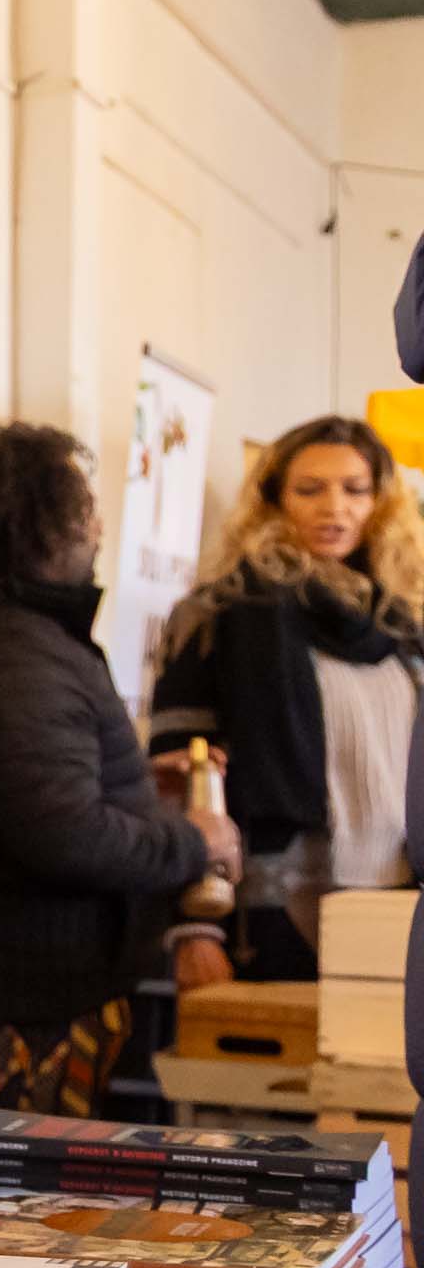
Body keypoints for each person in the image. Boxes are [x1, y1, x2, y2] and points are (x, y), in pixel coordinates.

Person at [0, 422, 235, 1113]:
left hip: (21, 999)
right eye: (82, 513)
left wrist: (136, 783)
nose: (97, 531)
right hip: (24, 1018)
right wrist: (194, 841)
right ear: (33, 527)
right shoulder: (6, 653)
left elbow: (36, 793)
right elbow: (63, 835)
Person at [149, 415, 424, 983]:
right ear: (275, 500)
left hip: (401, 897)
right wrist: (193, 926)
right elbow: (179, 778)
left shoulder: (406, 627)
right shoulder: (219, 614)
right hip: (273, 903)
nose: (334, 507)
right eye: (310, 489)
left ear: (381, 503)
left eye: (355, 490)